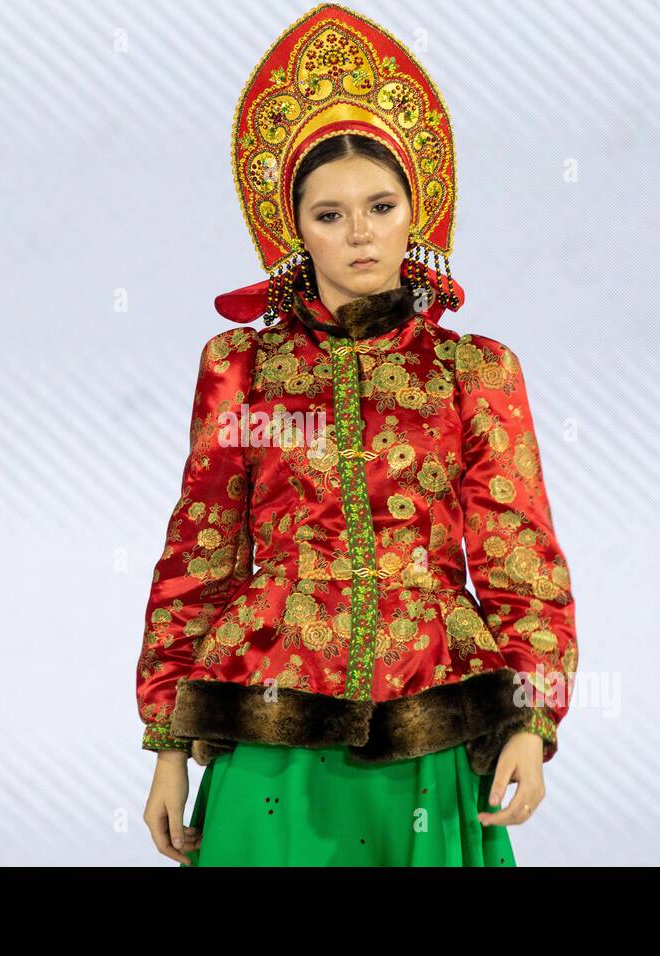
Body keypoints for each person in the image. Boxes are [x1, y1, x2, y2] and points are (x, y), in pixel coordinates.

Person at [136, 2, 577, 867]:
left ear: (419, 208)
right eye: (328, 214)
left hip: (433, 716)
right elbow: (201, 552)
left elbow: (519, 556)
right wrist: (165, 747)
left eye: (380, 204)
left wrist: (533, 719)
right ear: (291, 229)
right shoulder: (243, 367)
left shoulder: (472, 372)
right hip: (268, 716)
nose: (360, 232)